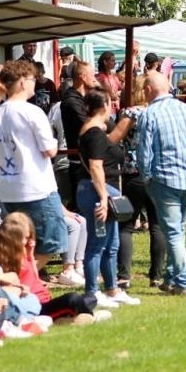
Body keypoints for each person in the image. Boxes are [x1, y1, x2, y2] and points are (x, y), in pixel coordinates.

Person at [0, 60, 67, 270]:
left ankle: (18, 278)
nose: (35, 84)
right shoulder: (32, 112)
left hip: (8, 189)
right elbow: (50, 150)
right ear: (23, 82)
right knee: (52, 242)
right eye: (33, 80)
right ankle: (21, 280)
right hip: (37, 188)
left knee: (20, 244)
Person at [134, 71, 186, 296]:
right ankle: (171, 278)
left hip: (164, 180)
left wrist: (146, 177)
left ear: (148, 89)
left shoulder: (149, 114)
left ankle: (183, 282)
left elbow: (144, 152)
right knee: (179, 231)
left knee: (173, 233)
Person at [77, 90, 140, 309]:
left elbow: (113, 140)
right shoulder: (93, 131)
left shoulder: (100, 129)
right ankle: (92, 292)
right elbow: (95, 166)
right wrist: (103, 198)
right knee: (97, 244)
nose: (113, 104)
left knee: (111, 244)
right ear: (104, 104)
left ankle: (112, 289)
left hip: (105, 190)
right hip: (96, 191)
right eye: (111, 101)